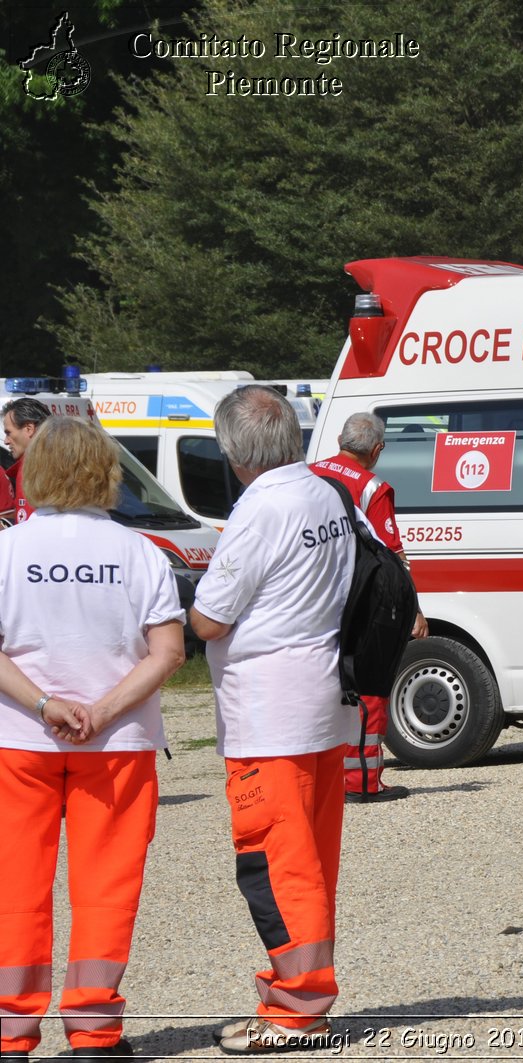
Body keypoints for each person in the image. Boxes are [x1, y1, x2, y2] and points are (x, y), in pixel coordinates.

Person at [0, 415, 185, 1059]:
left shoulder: (7, 551)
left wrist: (48, 703)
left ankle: (11, 1033)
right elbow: (168, 652)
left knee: (15, 888)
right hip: (117, 744)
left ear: (35, 470)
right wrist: (102, 709)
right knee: (107, 888)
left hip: (18, 739)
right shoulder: (139, 553)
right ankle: (94, 1032)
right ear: (107, 473)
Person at [189, 385, 356, 1052]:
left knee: (277, 866)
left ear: (233, 453)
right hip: (322, 699)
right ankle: (299, 996)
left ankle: (297, 1009)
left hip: (267, 712)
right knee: (311, 861)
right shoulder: (327, 492)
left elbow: (210, 616)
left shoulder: (259, 510)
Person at [309, 412, 426, 804]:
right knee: (367, 687)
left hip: (308, 598)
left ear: (340, 438)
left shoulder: (306, 475)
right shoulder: (372, 487)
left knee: (319, 687)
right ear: (377, 450)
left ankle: (319, 779)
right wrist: (414, 609)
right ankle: (362, 782)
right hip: (356, 600)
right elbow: (391, 556)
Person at [3, 397, 52, 524]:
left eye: (9, 433)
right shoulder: (63, 459)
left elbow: (26, 528)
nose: (6, 441)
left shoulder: (32, 468)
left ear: (29, 429)